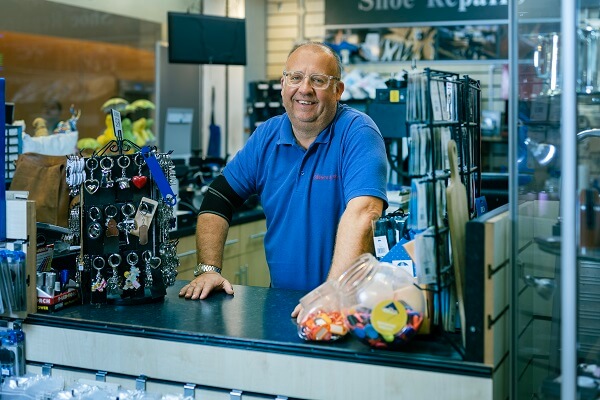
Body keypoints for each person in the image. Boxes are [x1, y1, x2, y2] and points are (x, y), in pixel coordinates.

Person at [179, 42, 388, 316]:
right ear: (283, 84)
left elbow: (364, 212)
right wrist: (208, 269)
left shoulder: (357, 132)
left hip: (345, 306)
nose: (305, 89)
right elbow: (218, 199)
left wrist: (334, 293)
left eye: (318, 80)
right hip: (280, 304)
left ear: (338, 90)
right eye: (296, 78)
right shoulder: (267, 135)